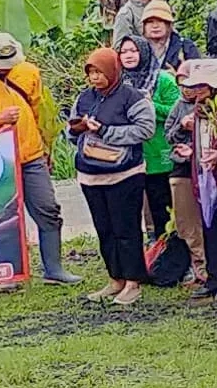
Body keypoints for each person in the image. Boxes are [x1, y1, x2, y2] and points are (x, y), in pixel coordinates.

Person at [0, 30, 77, 287]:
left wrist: (47, 147)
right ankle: (8, 273)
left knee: (48, 209)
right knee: (5, 217)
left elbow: (40, 111)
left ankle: (54, 269)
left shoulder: (29, 72)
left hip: (31, 154)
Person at [65, 48, 155, 308]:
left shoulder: (132, 97)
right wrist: (78, 129)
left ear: (113, 71)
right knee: (104, 229)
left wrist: (106, 131)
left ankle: (133, 281)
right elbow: (71, 131)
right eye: (91, 73)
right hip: (90, 175)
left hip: (124, 175)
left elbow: (145, 130)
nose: (95, 78)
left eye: (99, 72)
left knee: (126, 229)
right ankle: (115, 277)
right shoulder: (85, 98)